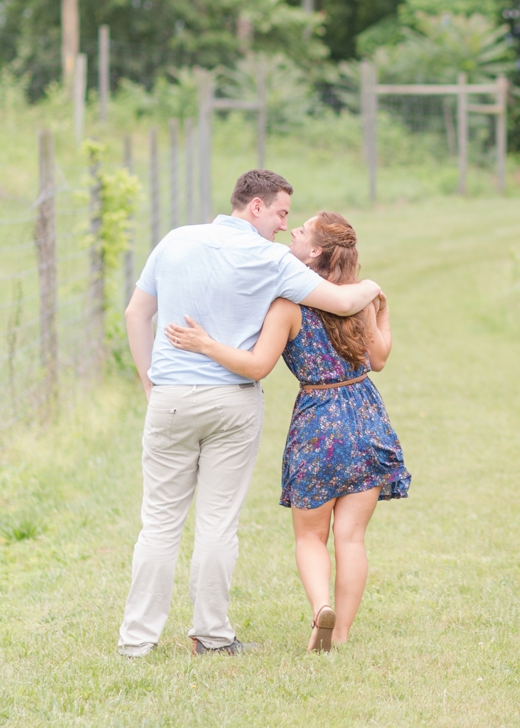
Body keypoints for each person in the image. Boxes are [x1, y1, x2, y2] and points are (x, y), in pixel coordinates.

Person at [118, 171, 382, 658]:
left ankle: (137, 641)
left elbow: (137, 314)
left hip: (171, 395)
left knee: (158, 524)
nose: (284, 226)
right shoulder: (270, 259)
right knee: (218, 523)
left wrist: (149, 384)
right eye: (282, 212)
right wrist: (373, 287)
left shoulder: (175, 240)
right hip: (233, 399)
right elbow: (344, 300)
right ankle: (212, 637)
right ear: (256, 207)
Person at [165, 211, 408, 653]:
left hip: (317, 422)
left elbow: (258, 365)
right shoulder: (358, 297)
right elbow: (380, 359)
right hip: (365, 414)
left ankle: (321, 610)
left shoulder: (286, 305)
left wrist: (206, 345)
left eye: (301, 231)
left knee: (309, 536)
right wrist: (383, 311)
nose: (292, 230)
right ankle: (345, 632)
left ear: (314, 250)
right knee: (351, 536)